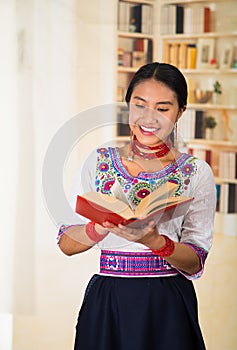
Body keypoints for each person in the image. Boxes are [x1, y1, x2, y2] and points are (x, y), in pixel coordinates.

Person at [58, 62, 216, 350]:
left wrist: (157, 242)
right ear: (128, 105)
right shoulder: (98, 161)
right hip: (109, 301)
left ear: (180, 112)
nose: (149, 118)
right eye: (139, 105)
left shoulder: (197, 172)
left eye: (163, 108)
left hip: (167, 304)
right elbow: (66, 243)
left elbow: (195, 261)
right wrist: (99, 228)